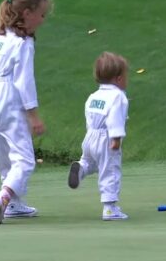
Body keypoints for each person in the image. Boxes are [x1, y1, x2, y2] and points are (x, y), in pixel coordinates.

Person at [0, 0, 52, 224]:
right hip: (6, 97)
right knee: (24, 159)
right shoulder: (23, 42)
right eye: (41, 14)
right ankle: (3, 198)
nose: (42, 20)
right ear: (27, 13)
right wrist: (34, 115)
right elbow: (23, 81)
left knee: (3, 154)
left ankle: (15, 204)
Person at [68, 51, 129, 220]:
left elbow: (89, 116)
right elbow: (115, 118)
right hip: (107, 137)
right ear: (118, 78)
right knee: (110, 169)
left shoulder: (93, 97)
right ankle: (110, 208)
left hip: (90, 136)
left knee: (91, 161)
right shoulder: (118, 97)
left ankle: (80, 168)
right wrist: (116, 139)